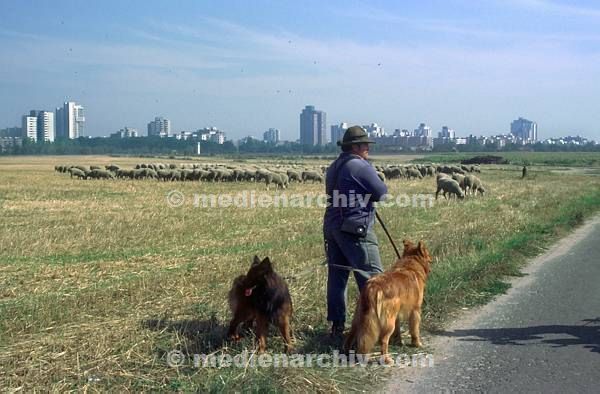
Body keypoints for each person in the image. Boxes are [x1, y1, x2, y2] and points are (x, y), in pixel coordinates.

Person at [323, 125, 388, 338]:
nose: (368, 148)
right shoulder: (360, 166)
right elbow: (380, 192)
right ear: (357, 147)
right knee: (372, 278)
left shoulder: (334, 166)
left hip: (333, 227)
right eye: (366, 145)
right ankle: (375, 328)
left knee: (337, 278)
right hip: (355, 228)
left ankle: (337, 326)